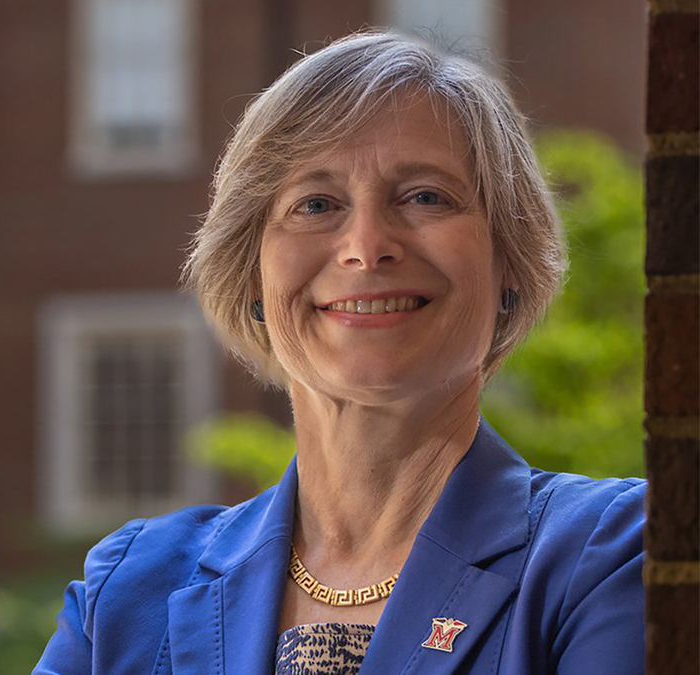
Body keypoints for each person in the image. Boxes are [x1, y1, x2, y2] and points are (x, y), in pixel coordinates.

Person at [33, 30, 645, 675]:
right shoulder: (130, 592)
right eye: (316, 204)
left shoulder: (609, 557)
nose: (366, 245)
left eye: (425, 197)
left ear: (509, 266)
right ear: (253, 279)